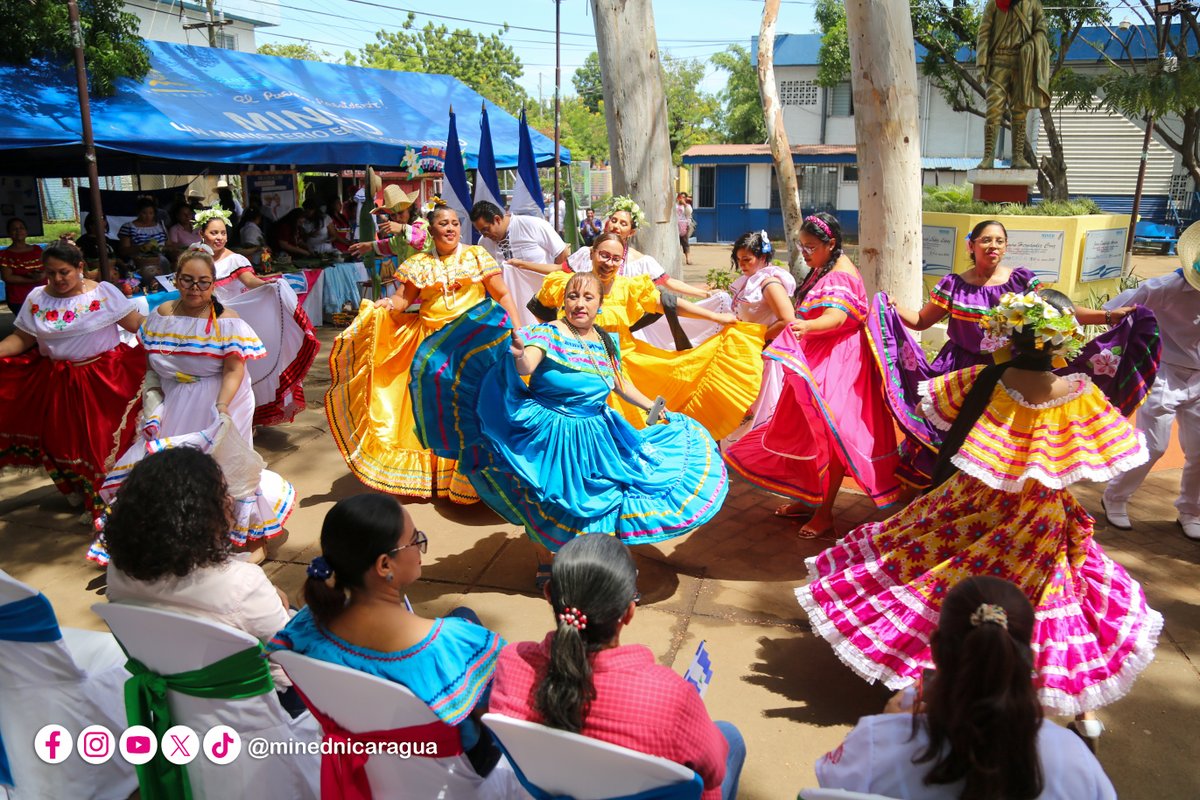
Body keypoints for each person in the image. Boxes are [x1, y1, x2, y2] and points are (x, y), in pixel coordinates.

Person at [796, 291, 1163, 746]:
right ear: (1064, 341)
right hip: (1039, 519)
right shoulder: (1080, 395)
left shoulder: (981, 378)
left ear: (1010, 333)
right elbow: (1092, 462)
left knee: (945, 578)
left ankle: (924, 681)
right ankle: (1080, 708)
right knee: (1052, 595)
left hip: (971, 502)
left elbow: (949, 430)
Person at [413, 269, 729, 576]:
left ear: (599, 305)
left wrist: (654, 406)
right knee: (544, 501)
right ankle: (547, 562)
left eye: (588, 297)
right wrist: (519, 354)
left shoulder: (606, 341)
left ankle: (602, 569)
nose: (580, 302)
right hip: (547, 432)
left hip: (598, 433)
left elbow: (620, 384)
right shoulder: (546, 333)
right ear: (563, 303)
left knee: (605, 498)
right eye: (573, 296)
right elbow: (526, 365)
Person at [869, 218, 1152, 489]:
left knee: (999, 433)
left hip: (1010, 371)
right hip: (957, 367)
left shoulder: (1021, 280)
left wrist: (1107, 316)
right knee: (952, 431)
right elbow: (921, 321)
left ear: (1006, 247)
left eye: (999, 241)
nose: (993, 246)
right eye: (986, 240)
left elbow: (1059, 309)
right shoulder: (952, 284)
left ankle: (989, 490)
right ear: (972, 245)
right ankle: (946, 486)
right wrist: (892, 306)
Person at [489, 534, 745, 800]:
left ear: (548, 593)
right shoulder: (669, 697)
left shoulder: (512, 663)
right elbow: (713, 773)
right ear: (629, 611)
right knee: (730, 738)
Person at [816, 576, 1117, 799]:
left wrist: (887, 722)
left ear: (934, 649)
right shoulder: (1074, 759)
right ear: (1027, 656)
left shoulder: (876, 742)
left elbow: (833, 787)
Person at [268, 493, 505, 776]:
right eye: (414, 540)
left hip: (370, 763)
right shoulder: (452, 646)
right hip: (455, 770)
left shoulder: (305, 628)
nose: (419, 547)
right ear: (384, 565)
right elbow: (497, 718)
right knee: (465, 618)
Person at [95, 246, 296, 566]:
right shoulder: (161, 316)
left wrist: (223, 408)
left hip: (223, 400)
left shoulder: (227, 321)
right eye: (187, 280)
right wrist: (153, 398)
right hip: (174, 397)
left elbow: (234, 370)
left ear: (214, 284)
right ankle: (174, 537)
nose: (195, 288)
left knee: (222, 468)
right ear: (176, 280)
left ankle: (248, 540)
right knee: (166, 465)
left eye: (203, 282)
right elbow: (152, 362)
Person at [326, 203, 521, 503]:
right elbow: (403, 300)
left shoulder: (476, 256)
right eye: (444, 224)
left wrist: (517, 330)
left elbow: (502, 294)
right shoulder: (418, 263)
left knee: (477, 407)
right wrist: (386, 306)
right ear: (431, 231)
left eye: (455, 223)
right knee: (439, 410)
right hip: (434, 348)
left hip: (475, 346)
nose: (451, 228)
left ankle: (479, 478)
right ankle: (443, 476)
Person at [726, 213, 902, 535]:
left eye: (810, 247)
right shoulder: (826, 267)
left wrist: (806, 325)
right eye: (802, 246)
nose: (805, 253)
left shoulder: (841, 275)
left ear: (830, 243)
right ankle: (807, 498)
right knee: (806, 431)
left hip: (840, 362)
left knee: (831, 436)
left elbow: (836, 317)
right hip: (820, 357)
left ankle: (824, 512)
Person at [103, 447, 303, 715]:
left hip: (173, 697)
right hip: (256, 706)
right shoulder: (242, 584)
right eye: (222, 493)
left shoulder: (117, 572)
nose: (231, 500)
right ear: (199, 515)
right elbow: (294, 659)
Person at [531, 234, 763, 440]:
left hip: (624, 364)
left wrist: (715, 317)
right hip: (576, 366)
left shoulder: (628, 287)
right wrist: (554, 343)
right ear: (592, 253)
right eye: (603, 255)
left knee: (629, 427)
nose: (608, 263)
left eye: (615, 258)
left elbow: (667, 303)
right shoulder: (567, 284)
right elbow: (540, 309)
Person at [0, 241, 144, 526]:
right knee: (60, 442)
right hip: (57, 382)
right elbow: (22, 339)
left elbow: (136, 323)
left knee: (101, 443)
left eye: (64, 272)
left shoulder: (104, 293)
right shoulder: (36, 298)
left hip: (104, 380)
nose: (57, 279)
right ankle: (79, 490)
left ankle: (107, 503)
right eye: (50, 273)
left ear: (80, 268)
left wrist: (176, 329)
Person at [1102, 220, 1200, 539]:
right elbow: (1115, 308)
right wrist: (1133, 342)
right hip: (1165, 371)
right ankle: (1115, 497)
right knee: (1153, 445)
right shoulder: (1166, 287)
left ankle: (1190, 509)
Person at [196, 206, 319, 427]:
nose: (219, 237)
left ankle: (242, 419)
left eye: (223, 233)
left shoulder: (235, 260)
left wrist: (269, 285)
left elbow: (251, 282)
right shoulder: (196, 257)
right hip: (203, 323)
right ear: (201, 235)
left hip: (229, 322)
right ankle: (211, 418)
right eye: (214, 233)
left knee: (234, 371)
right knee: (209, 373)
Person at [721, 230, 796, 443]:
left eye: (747, 259)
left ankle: (756, 457)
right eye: (739, 260)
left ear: (762, 258)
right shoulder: (751, 281)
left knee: (762, 409)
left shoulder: (769, 283)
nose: (742, 264)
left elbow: (787, 319)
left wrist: (756, 339)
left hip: (766, 357)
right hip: (751, 355)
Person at [976, 0, 1050, 169]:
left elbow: (1041, 29)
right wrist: (981, 63)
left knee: (1020, 111)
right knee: (993, 110)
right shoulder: (994, 3)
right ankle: (988, 157)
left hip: (1022, 64)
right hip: (998, 62)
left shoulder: (1034, 4)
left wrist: (1032, 45)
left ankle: (1017, 157)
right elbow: (984, 32)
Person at [1, 217, 45, 313]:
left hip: (43, 296)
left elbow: (49, 267)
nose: (18, 231)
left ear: (26, 231)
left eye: (21, 228)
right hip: (19, 298)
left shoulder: (37, 250)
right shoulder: (5, 254)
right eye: (14, 229)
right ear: (9, 233)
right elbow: (7, 277)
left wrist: (42, 275)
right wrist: (32, 279)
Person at [118, 197, 169, 278]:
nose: (148, 216)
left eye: (151, 213)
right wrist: (141, 247)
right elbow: (124, 251)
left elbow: (168, 244)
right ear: (138, 212)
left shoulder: (160, 225)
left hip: (160, 259)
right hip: (139, 261)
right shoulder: (128, 227)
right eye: (144, 213)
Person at [676, 192, 694, 266]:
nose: (682, 198)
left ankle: (687, 259)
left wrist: (685, 204)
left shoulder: (687, 206)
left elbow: (689, 213)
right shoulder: (675, 205)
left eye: (684, 197)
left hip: (684, 226)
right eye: (681, 197)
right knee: (676, 244)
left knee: (685, 243)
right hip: (676, 226)